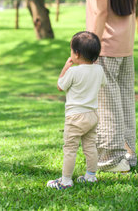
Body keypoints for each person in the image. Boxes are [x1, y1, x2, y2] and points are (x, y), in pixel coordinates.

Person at [86, 0, 136, 172]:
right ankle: (129, 155)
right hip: (125, 47)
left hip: (105, 46)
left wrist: (90, 48)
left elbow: (100, 13)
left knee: (107, 105)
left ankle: (113, 160)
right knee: (124, 102)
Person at [47, 31, 107, 190]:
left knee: (70, 149)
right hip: (93, 115)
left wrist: (66, 67)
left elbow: (60, 86)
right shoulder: (99, 70)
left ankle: (65, 181)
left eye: (71, 50)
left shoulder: (73, 72)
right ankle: (91, 176)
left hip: (75, 117)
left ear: (77, 54)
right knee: (90, 146)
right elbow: (103, 83)